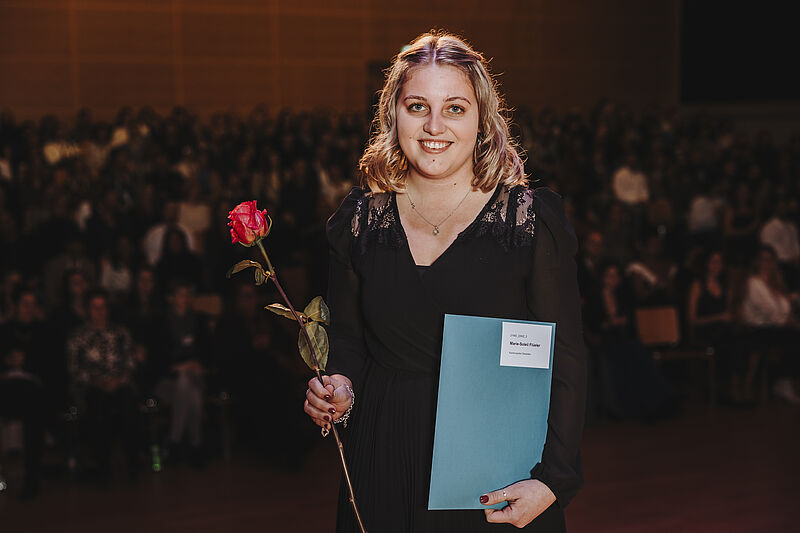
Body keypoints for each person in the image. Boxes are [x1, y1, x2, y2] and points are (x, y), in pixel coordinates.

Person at [303, 32, 586, 532]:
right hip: (385, 456)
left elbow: (565, 359)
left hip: (498, 470)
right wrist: (338, 388)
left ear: (482, 119)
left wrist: (553, 480)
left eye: (455, 108)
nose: (434, 126)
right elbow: (348, 341)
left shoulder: (527, 221)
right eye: (418, 106)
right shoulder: (359, 223)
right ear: (394, 114)